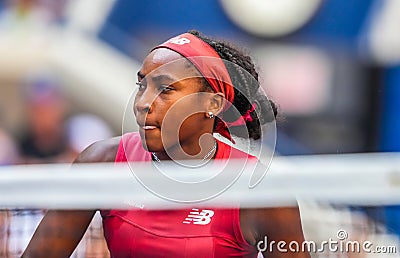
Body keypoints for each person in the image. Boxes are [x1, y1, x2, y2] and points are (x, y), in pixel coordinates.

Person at [22, 30, 310, 258]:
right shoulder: (102, 163)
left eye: (166, 89)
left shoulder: (260, 190)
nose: (143, 103)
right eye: (142, 86)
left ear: (213, 103)